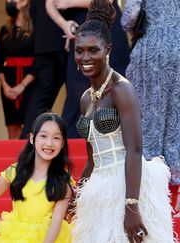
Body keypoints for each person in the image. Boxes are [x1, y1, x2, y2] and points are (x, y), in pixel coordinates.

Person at [72, 0, 174, 242]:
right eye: (79, 50)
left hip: (127, 186)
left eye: (93, 50)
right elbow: (91, 159)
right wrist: (77, 196)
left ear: (108, 49)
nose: (85, 57)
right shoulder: (86, 98)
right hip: (98, 190)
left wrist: (131, 207)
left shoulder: (122, 90)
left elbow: (135, 150)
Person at [0, 112, 74, 242]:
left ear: (62, 144)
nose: (49, 143)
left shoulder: (63, 181)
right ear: (32, 138)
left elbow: (56, 222)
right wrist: (6, 231)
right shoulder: (15, 172)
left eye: (56, 138)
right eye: (43, 136)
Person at [121, 0, 180, 206]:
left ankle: (150, 191)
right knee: (175, 122)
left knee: (149, 122)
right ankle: (175, 188)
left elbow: (129, 18)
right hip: (178, 51)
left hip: (152, 53)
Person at [45, 0, 130, 138]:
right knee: (77, 88)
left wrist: (68, 3)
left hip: (106, 25)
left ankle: (115, 142)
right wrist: (64, 24)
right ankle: (75, 147)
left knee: (112, 87)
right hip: (80, 30)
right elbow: (50, 3)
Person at [20, 0, 68, 138]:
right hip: (63, 43)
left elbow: (33, 12)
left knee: (42, 95)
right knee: (75, 91)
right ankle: (71, 135)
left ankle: (26, 137)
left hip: (43, 47)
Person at [0, 0, 37, 139]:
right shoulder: (5, 29)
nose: (10, 2)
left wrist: (22, 85)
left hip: (30, 82)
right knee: (12, 126)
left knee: (31, 125)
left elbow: (39, 61)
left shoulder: (36, 29)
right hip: (8, 82)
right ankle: (13, 160)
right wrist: (5, 85)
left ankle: (28, 159)